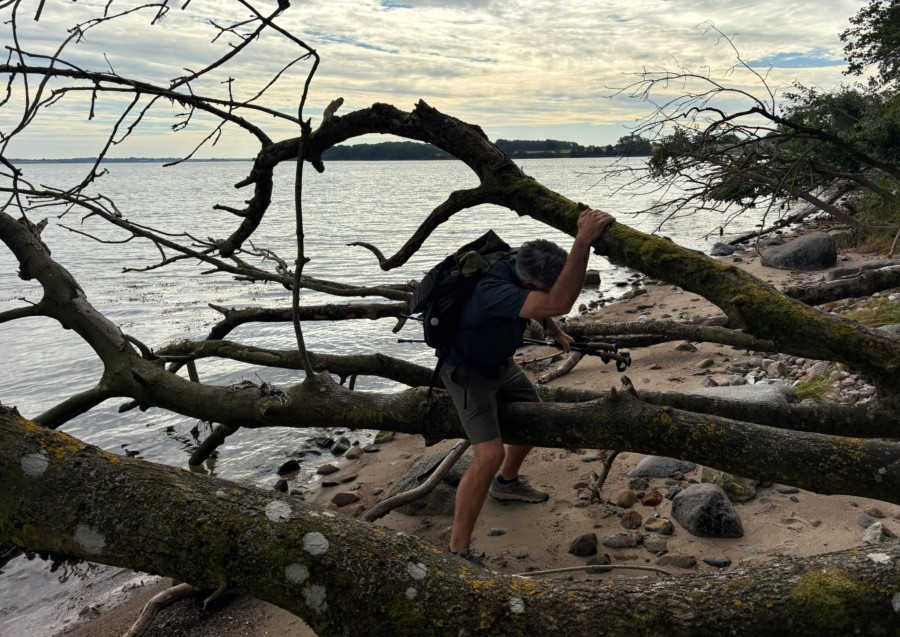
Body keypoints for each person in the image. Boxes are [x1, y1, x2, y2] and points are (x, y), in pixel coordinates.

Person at [440, 208, 616, 562]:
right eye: (543, 289)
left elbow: (545, 303)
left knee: (534, 420)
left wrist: (555, 329)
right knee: (489, 455)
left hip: (500, 363)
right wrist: (583, 242)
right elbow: (556, 300)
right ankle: (457, 550)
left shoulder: (517, 260)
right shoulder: (491, 290)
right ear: (530, 284)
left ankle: (506, 485)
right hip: (468, 372)